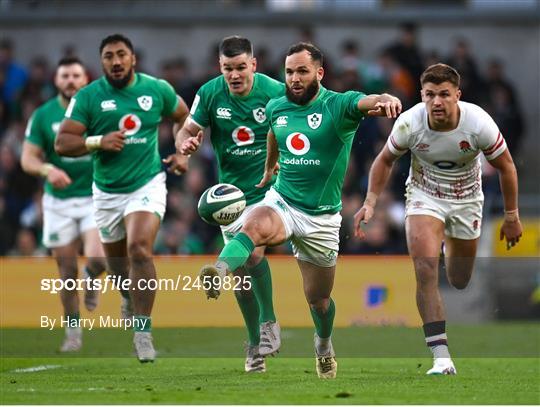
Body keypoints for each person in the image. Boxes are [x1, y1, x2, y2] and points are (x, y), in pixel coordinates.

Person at [199, 42, 402, 379]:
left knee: (318, 301)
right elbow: (274, 136)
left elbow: (366, 102)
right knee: (253, 228)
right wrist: (270, 167)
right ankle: (219, 270)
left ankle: (323, 344)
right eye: (289, 71)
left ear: (319, 73)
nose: (294, 78)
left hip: (321, 217)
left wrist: (385, 100)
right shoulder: (277, 105)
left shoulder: (338, 105)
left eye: (302, 71)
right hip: (282, 201)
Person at [354, 63, 522, 375]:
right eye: (430, 94)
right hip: (424, 196)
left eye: (444, 94)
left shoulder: (478, 123)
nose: (437, 102)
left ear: (457, 95)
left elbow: (507, 167)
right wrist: (370, 202)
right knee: (425, 266)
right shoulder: (410, 123)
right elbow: (384, 160)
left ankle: (447, 245)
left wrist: (511, 216)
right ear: (422, 95)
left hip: (466, 200)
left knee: (459, 279)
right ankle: (441, 356)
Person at [55, 34, 190, 362]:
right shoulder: (88, 97)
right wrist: (97, 141)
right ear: (101, 62)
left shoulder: (156, 89)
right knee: (118, 268)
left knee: (139, 249)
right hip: (106, 193)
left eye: (121, 55)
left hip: (147, 184)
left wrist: (182, 151)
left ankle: (143, 333)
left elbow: (184, 118)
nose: (115, 61)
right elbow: (62, 143)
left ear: (133, 59)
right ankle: (127, 295)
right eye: (108, 57)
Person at [177, 36, 283, 373]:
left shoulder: (274, 91)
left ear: (253, 64)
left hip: (270, 188)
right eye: (228, 69)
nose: (234, 74)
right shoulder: (209, 93)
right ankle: (255, 345)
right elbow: (186, 130)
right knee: (242, 278)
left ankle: (269, 322)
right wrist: (187, 143)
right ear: (219, 68)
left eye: (240, 67)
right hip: (231, 197)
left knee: (252, 252)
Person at [21, 57, 106, 352]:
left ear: (85, 80)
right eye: (65, 76)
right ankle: (73, 332)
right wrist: (48, 170)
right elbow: (28, 158)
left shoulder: (97, 108)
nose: (71, 80)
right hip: (58, 202)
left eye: (76, 76)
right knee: (66, 272)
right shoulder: (43, 116)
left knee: (97, 260)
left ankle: (92, 278)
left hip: (94, 196)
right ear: (57, 81)